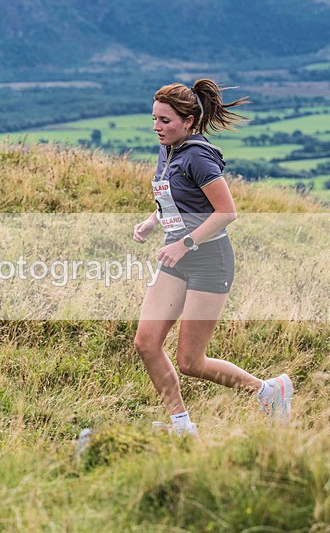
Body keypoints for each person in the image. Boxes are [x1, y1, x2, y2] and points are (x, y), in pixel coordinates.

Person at [132, 79, 292, 436]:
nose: (157, 127)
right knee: (146, 343)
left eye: (165, 120)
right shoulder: (168, 149)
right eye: (154, 119)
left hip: (209, 261)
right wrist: (152, 221)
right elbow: (175, 198)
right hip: (177, 259)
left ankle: (268, 392)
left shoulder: (198, 157)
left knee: (190, 361)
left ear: (188, 121)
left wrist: (184, 243)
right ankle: (181, 426)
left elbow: (226, 212)